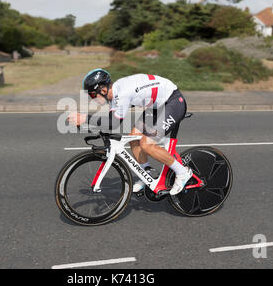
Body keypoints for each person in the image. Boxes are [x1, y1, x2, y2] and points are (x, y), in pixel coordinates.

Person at [67, 68, 192, 196]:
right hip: (157, 106)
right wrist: (86, 123)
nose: (92, 99)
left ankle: (183, 172)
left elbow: (113, 123)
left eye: (93, 95)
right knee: (134, 138)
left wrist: (84, 118)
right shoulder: (114, 95)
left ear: (103, 90)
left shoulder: (122, 94)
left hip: (173, 102)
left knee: (147, 144)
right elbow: (110, 120)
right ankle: (147, 175)